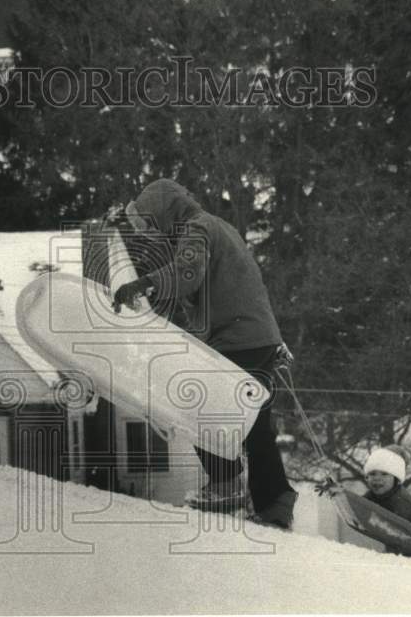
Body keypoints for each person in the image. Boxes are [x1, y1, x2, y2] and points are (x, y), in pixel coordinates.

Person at [110, 178, 298, 529]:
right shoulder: (218, 226)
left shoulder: (196, 229)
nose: (150, 233)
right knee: (254, 423)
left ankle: (227, 485)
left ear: (165, 212)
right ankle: (275, 502)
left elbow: (187, 274)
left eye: (150, 223)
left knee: (198, 403)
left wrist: (142, 282)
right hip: (256, 337)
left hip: (238, 338)